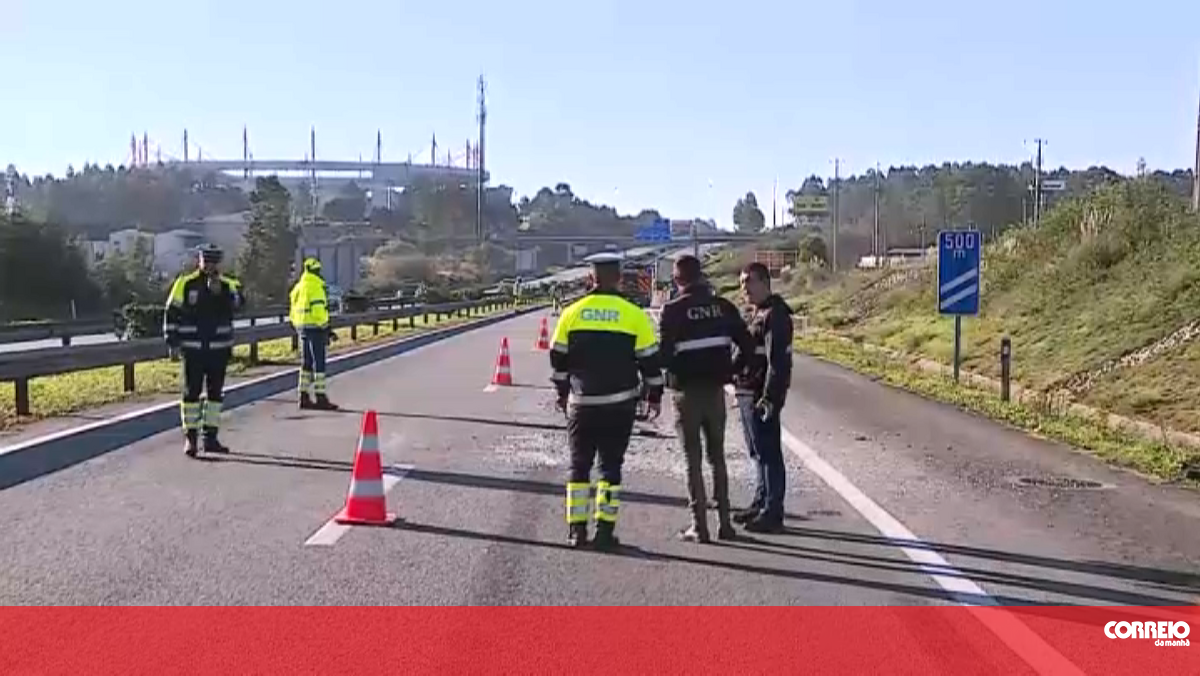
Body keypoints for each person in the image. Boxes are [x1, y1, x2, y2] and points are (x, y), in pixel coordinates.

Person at [549, 253, 664, 550]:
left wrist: (563, 392)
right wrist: (654, 395)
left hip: (581, 403)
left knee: (579, 467)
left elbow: (558, 359)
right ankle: (604, 531)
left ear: (592, 278)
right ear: (619, 278)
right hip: (619, 404)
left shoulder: (571, 312)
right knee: (610, 468)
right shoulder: (633, 314)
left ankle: (576, 531)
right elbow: (650, 361)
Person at [658, 255, 755, 543]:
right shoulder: (723, 307)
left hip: (685, 393)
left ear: (677, 281)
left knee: (693, 460)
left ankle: (699, 527)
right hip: (715, 392)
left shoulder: (673, 311)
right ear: (701, 276)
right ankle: (725, 524)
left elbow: (663, 356)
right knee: (717, 458)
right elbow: (747, 345)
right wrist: (731, 371)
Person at [163, 244, 245, 457]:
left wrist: (223, 294)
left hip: (219, 349)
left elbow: (241, 306)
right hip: (193, 349)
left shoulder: (228, 284)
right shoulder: (185, 283)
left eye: (213, 262)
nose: (209, 265)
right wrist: (171, 342)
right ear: (199, 261)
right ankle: (190, 438)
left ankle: (211, 438)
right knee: (191, 393)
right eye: (205, 261)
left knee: (215, 395)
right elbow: (171, 312)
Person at [731, 262, 794, 533]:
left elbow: (778, 362)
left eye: (750, 281)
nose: (744, 287)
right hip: (746, 390)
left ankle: (772, 511)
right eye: (742, 282)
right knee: (757, 453)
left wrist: (770, 397)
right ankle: (760, 502)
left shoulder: (775, 316)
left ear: (765, 283)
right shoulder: (757, 313)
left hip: (760, 394)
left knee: (769, 454)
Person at [289, 257, 340, 411]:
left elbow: (292, 309)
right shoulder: (316, 286)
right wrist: (327, 329)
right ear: (317, 270)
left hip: (302, 328)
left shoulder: (298, 287)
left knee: (306, 363)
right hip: (316, 329)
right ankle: (320, 397)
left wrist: (299, 325)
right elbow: (319, 311)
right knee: (320, 364)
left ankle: (303, 396)